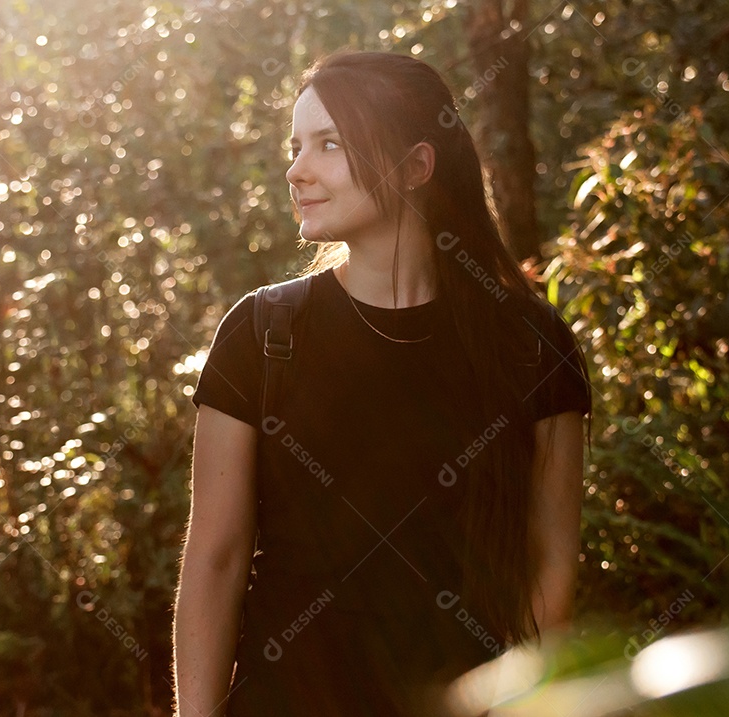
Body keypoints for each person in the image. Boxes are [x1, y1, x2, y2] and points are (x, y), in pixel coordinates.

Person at [171, 50, 592, 717]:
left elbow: (550, 573)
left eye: (329, 144)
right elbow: (215, 559)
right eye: (295, 146)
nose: (296, 170)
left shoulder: (531, 345)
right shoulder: (261, 334)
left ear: (417, 166)